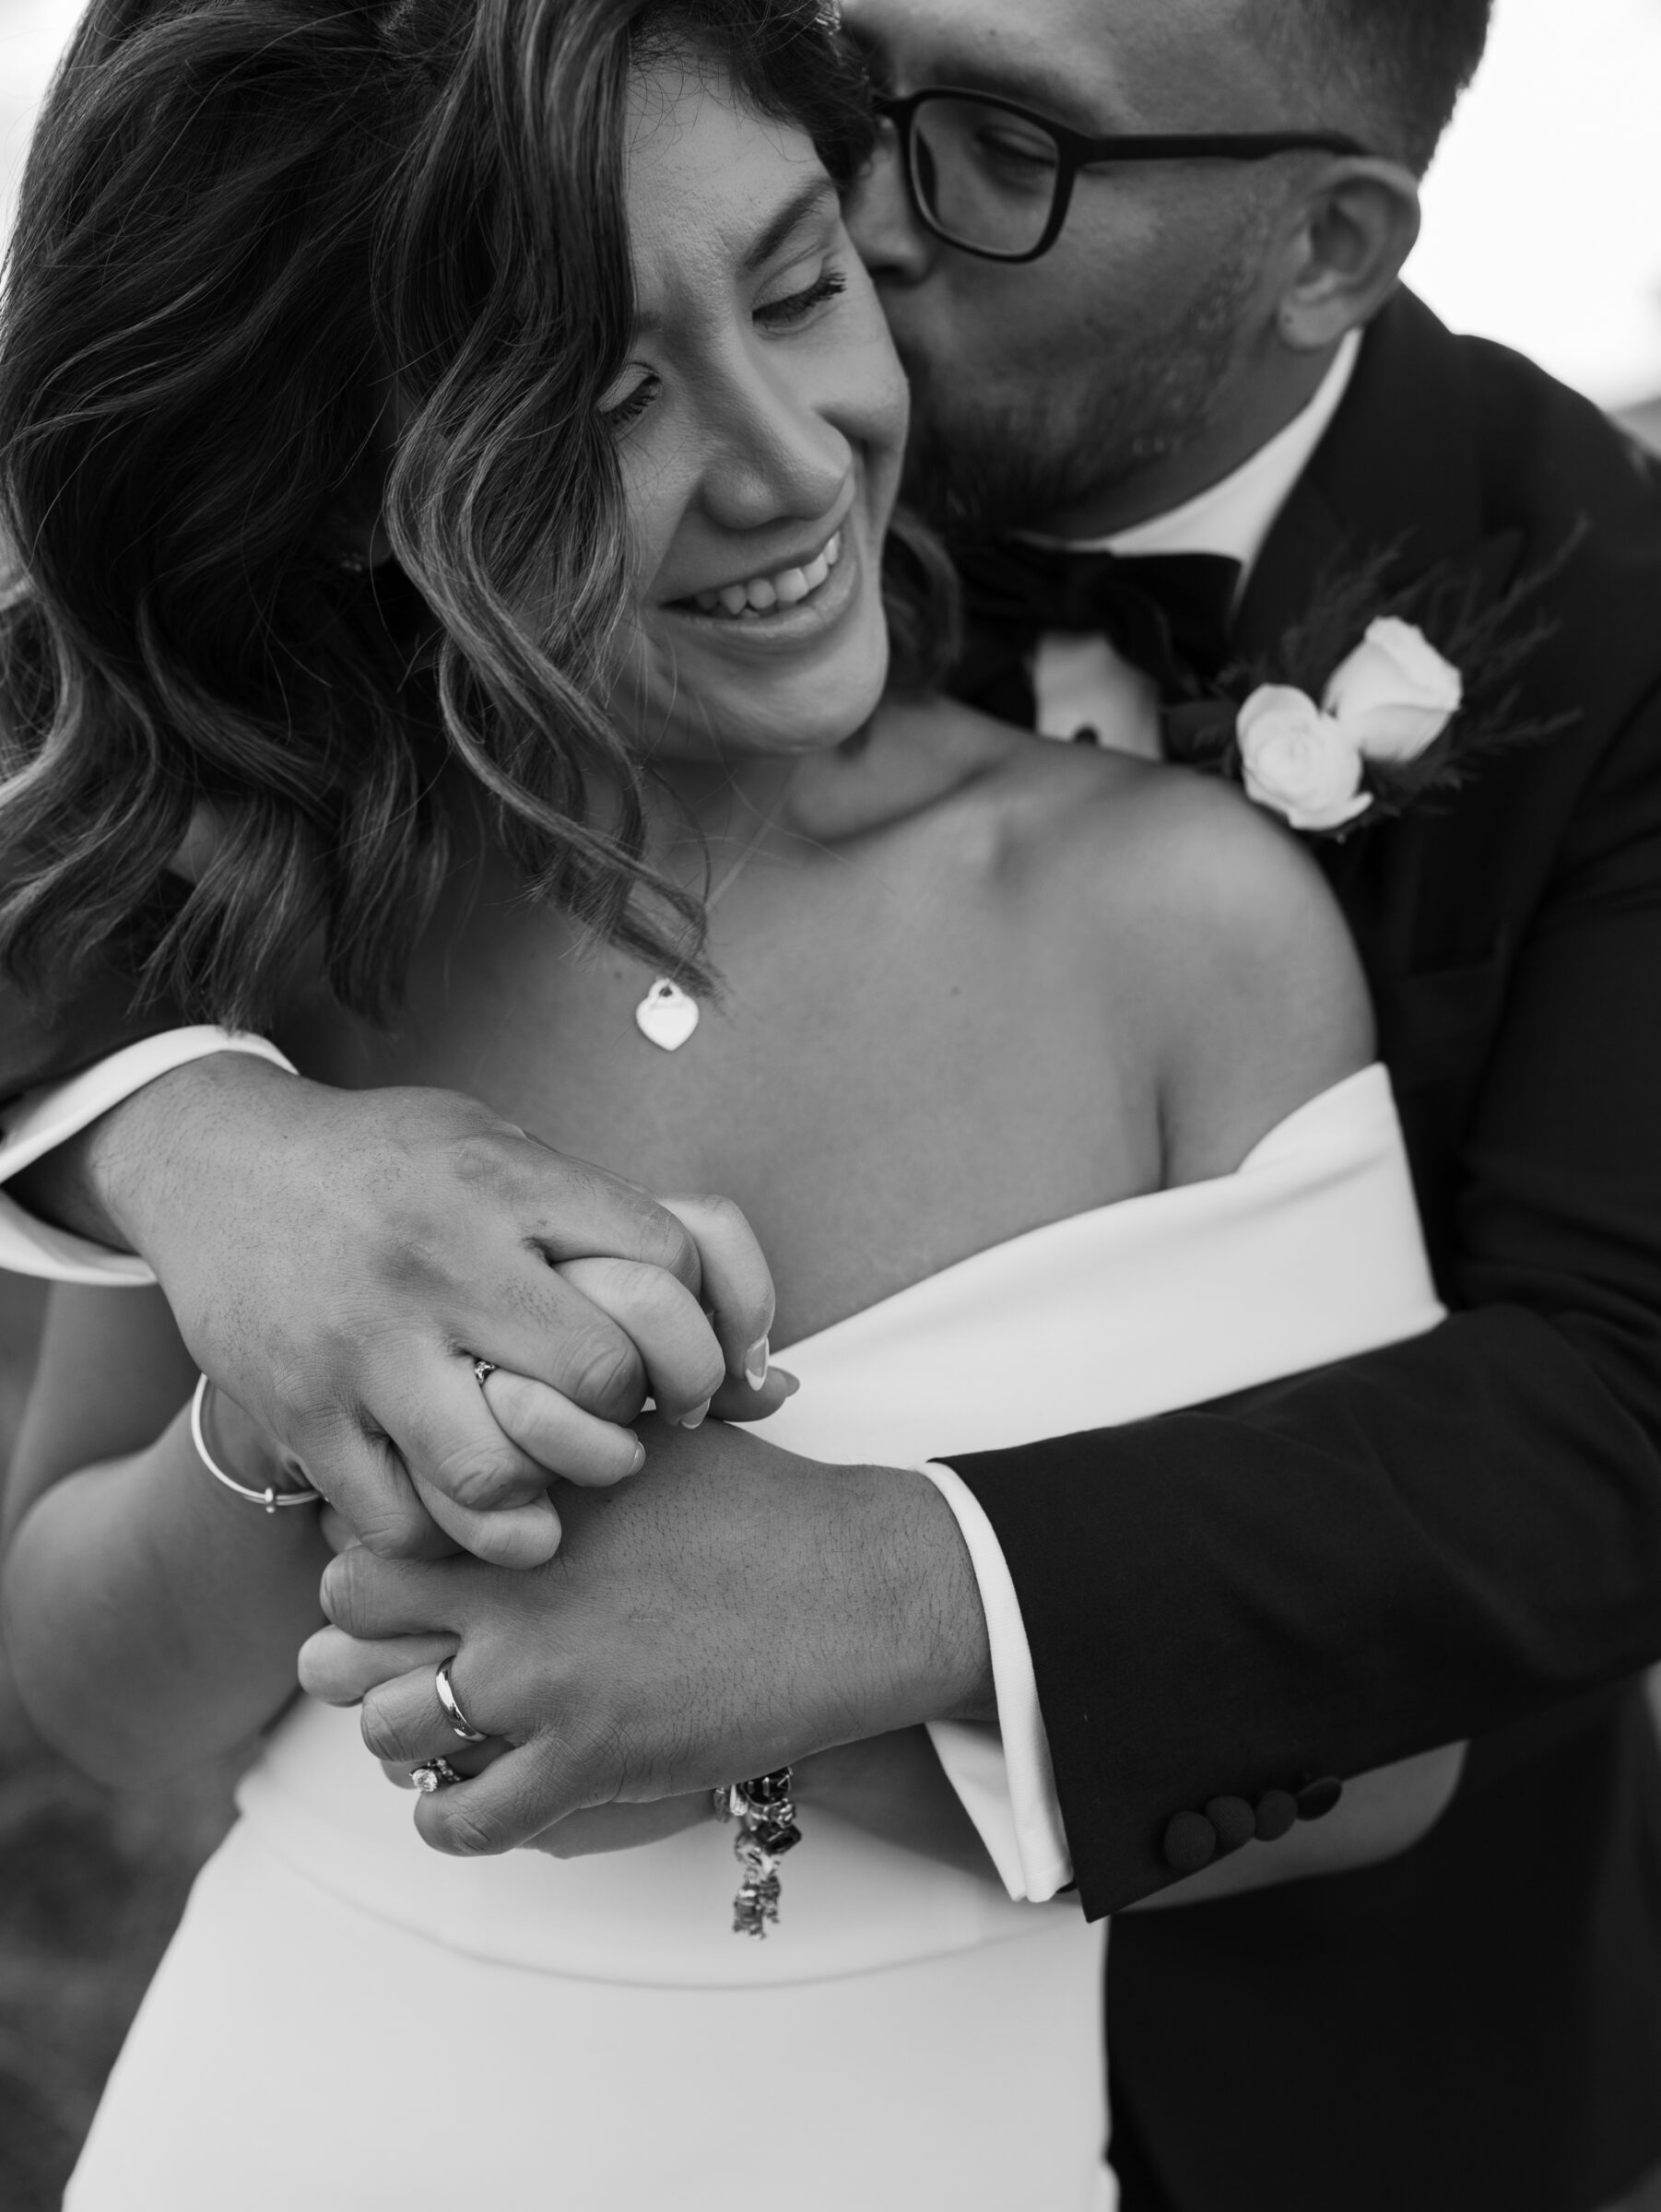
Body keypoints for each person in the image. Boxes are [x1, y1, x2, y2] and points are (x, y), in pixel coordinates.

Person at [4, 0, 1661, 2206]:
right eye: (591, 402)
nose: (793, 454)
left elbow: (1524, 1535)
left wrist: (762, 1682)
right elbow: (93, 1700)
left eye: (802, 285)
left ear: (1326, 242)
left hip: (1228, 2097)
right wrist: (258, 1289)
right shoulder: (277, 906)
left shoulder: (1196, 913)